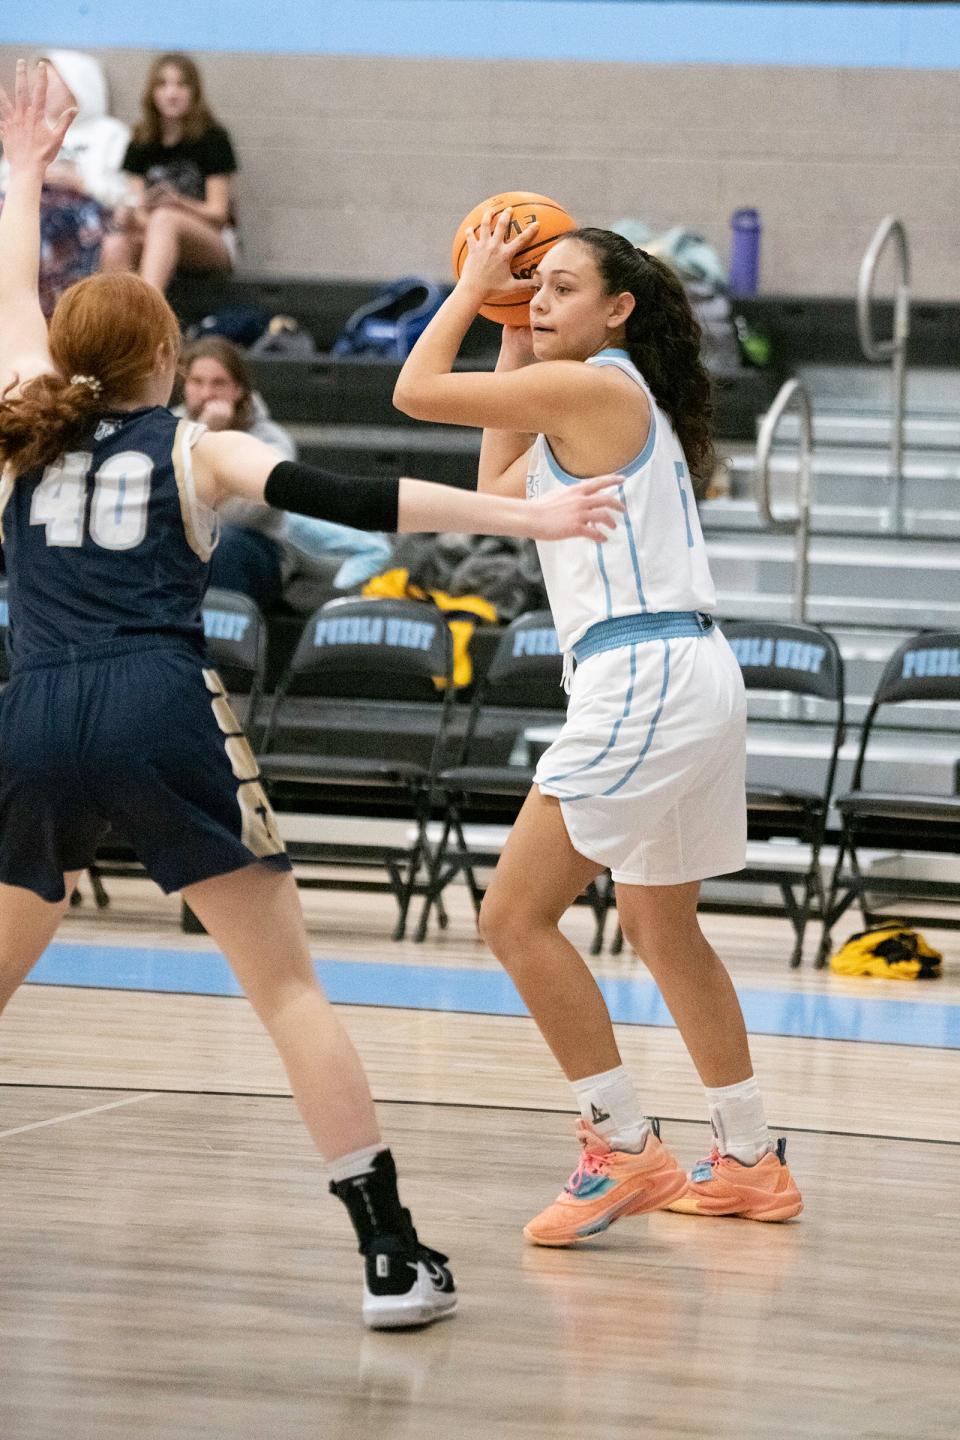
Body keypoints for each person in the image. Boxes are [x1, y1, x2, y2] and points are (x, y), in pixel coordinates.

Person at [0, 65, 622, 1328]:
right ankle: (391, 1256)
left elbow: (11, 291)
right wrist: (527, 509)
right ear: (169, 356)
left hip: (27, 711)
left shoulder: (22, 420)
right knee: (284, 990)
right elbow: (358, 499)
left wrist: (23, 170)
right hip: (155, 704)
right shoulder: (194, 441)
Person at [394, 208, 803, 1246]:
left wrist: (472, 279)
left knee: (511, 917)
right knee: (664, 926)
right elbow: (495, 493)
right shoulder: (582, 401)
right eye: (538, 282)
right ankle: (750, 1159)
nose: (541, 294)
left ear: (619, 309)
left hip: (645, 675)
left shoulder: (596, 381)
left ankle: (621, 1144)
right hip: (690, 673)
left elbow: (413, 393)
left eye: (560, 283)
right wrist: (509, 318)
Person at [0, 49, 129, 315]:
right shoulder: (31, 128)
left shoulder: (110, 133)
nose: (41, 90)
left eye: (50, 83)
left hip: (83, 215)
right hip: (32, 206)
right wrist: (34, 173)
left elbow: (124, 194)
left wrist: (79, 182)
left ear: (76, 85)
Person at [100, 53, 237, 293]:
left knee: (165, 217)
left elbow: (219, 213)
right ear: (152, 92)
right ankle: (116, 324)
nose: (171, 94)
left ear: (194, 92)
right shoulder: (140, 140)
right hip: (155, 234)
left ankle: (148, 314)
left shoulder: (213, 138)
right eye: (163, 85)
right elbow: (140, 207)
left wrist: (178, 203)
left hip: (209, 240)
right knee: (115, 244)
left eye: (181, 85)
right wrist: (129, 217)